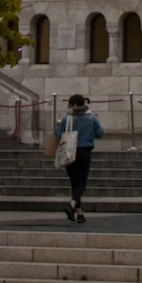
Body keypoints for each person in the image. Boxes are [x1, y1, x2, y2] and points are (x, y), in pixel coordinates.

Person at [55, 93, 103, 224]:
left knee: (74, 183)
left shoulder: (66, 118)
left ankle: (79, 213)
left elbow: (58, 135)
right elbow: (100, 133)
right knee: (81, 182)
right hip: (84, 152)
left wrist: (58, 125)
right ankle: (72, 206)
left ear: (72, 105)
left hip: (69, 151)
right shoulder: (92, 118)